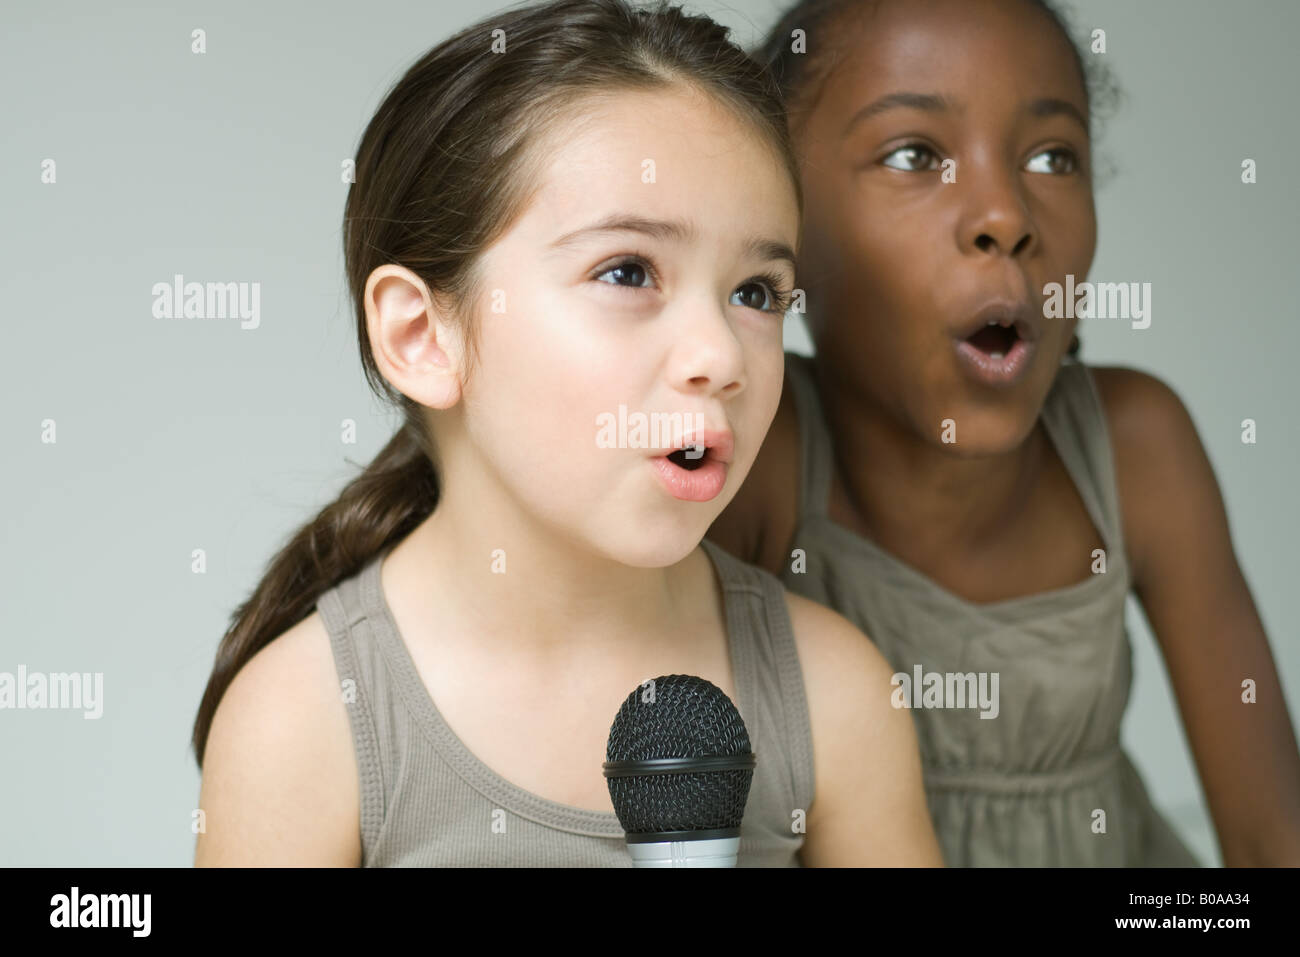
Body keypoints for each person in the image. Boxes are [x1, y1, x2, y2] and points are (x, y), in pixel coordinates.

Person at [191, 0, 943, 867]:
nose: (719, 355)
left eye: (757, 291)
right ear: (422, 338)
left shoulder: (832, 693)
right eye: (627, 271)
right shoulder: (305, 720)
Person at [708, 0, 1300, 866]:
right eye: (915, 154)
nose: (1005, 213)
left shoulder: (1138, 446)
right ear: (782, 224)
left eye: (1053, 157)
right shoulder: (758, 455)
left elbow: (1269, 838)